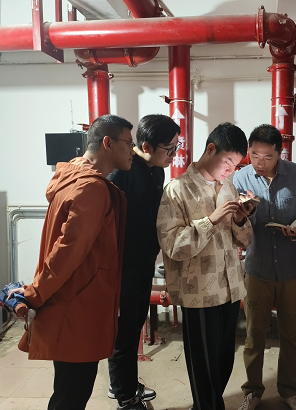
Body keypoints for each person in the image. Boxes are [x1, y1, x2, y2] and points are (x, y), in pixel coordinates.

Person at [10, 114, 134, 410]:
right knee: (71, 396)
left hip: (72, 303)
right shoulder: (92, 188)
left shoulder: (72, 178)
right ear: (108, 143)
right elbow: (67, 251)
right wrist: (34, 294)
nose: (133, 151)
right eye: (128, 144)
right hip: (78, 308)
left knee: (68, 389)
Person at [156, 122, 256, 410]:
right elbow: (172, 245)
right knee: (203, 365)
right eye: (228, 162)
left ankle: (209, 405)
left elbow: (245, 240)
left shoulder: (228, 186)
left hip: (230, 287)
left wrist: (240, 220)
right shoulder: (177, 190)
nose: (231, 170)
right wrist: (211, 220)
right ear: (211, 149)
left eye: (236, 165)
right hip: (199, 292)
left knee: (224, 360)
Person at [233, 124, 296, 410]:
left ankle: (289, 391)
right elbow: (235, 224)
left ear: (280, 153)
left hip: (292, 269)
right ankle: (252, 391)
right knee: (254, 335)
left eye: (267, 156)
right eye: (255, 155)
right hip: (257, 268)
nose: (260, 162)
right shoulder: (241, 177)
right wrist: (243, 214)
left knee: (290, 335)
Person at [106, 114, 181, 410]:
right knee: (124, 331)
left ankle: (124, 383)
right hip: (123, 267)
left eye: (176, 148)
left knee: (135, 324)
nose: (173, 155)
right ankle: (124, 396)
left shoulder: (156, 171)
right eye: (169, 149)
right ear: (147, 146)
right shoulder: (123, 172)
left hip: (143, 262)